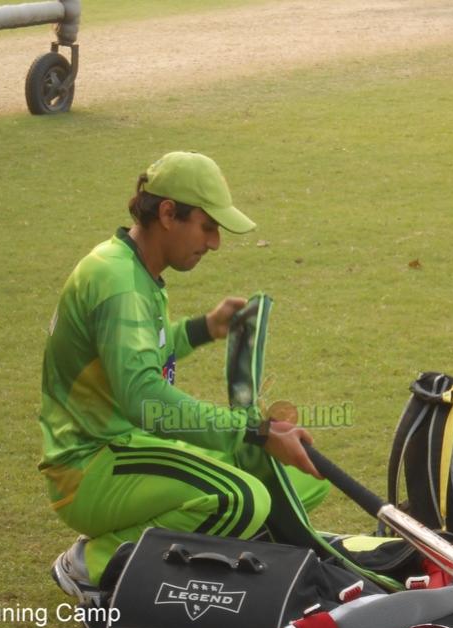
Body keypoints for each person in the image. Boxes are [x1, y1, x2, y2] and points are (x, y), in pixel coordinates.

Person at [39, 151, 329, 601]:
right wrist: (253, 431)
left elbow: (133, 354)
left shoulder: (133, 269)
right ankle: (93, 561)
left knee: (297, 480)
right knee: (244, 498)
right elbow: (144, 398)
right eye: (208, 227)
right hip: (91, 464)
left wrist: (201, 329)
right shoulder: (118, 281)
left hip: (127, 446)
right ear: (169, 214)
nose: (214, 243)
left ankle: (226, 544)